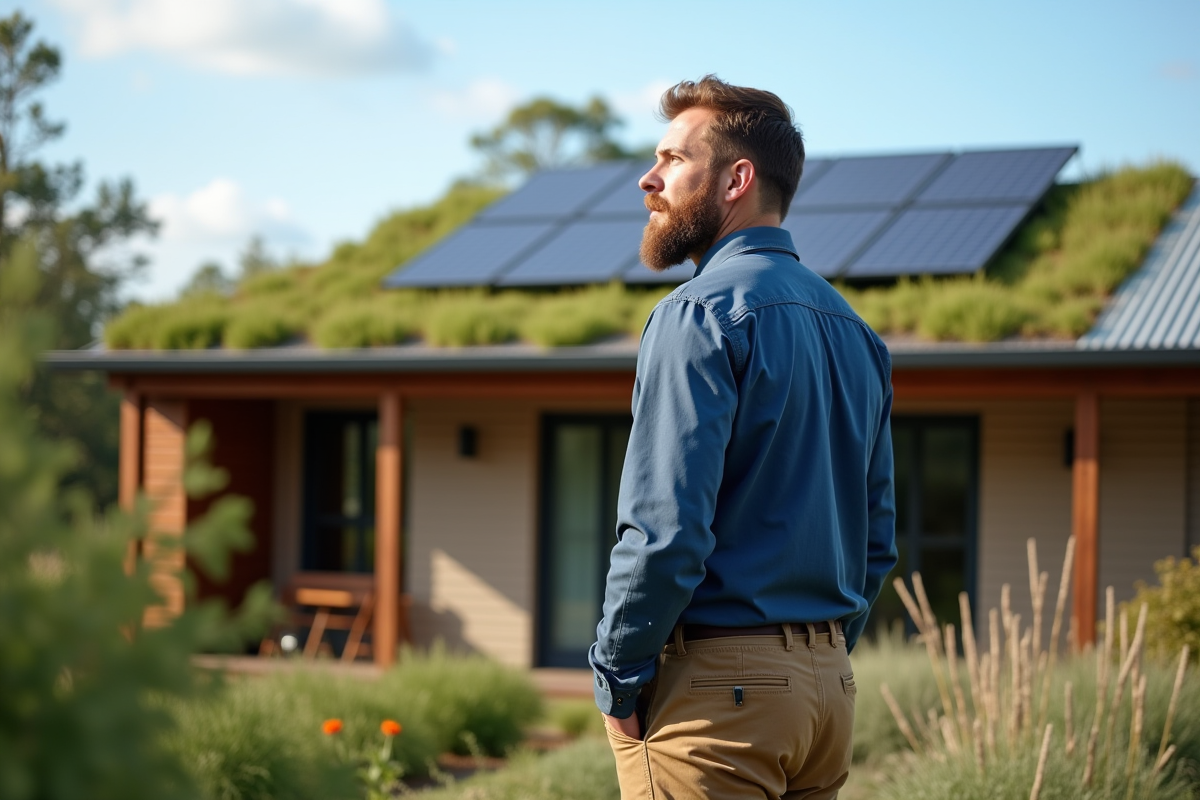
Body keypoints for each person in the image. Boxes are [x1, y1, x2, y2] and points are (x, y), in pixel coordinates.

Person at [588, 75, 898, 799]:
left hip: (719, 697)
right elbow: (876, 540)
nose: (648, 178)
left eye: (672, 159)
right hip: (827, 696)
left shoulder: (695, 315)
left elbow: (664, 534)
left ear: (737, 179)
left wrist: (616, 676)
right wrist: (813, 657)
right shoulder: (859, 334)